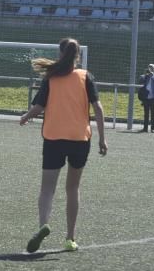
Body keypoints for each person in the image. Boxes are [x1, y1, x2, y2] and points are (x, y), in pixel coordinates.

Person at [20, 37, 108, 253]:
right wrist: (102, 138)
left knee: (47, 189)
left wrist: (25, 117)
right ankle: (70, 238)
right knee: (72, 188)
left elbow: (39, 107)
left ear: (60, 54)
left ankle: (43, 226)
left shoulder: (51, 78)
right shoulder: (85, 77)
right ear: (77, 55)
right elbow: (97, 108)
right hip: (79, 139)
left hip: (54, 138)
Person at [138, 63, 154, 133]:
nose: (150, 69)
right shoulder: (145, 75)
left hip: (153, 97)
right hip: (146, 97)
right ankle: (145, 128)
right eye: (149, 68)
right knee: (146, 114)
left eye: (152, 68)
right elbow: (140, 80)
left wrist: (153, 75)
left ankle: (153, 128)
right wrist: (146, 75)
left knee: (153, 113)